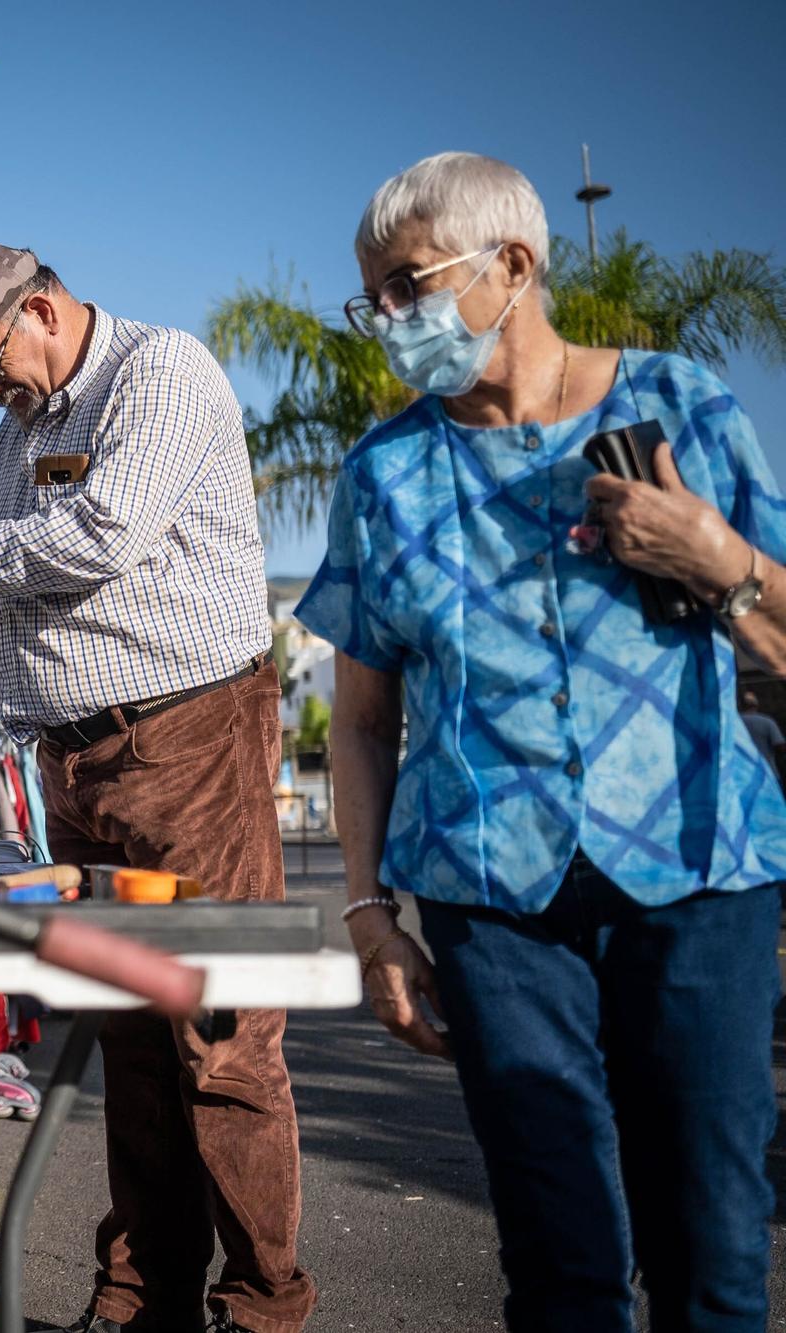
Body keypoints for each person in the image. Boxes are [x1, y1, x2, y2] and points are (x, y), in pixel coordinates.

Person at [302, 151, 786, 1330]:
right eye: (369, 296)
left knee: (710, 1255)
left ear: (512, 265)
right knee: (557, 1262)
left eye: (407, 284)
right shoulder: (384, 472)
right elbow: (362, 724)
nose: (386, 320)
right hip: (490, 900)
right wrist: (371, 922)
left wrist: (714, 559)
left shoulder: (679, 406)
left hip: (697, 874)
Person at [0, 244, 310, 1333]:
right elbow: (18, 590)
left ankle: (260, 1307)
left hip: (188, 739)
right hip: (77, 757)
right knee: (130, 1039)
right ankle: (141, 1299)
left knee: (222, 1035)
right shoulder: (21, 433)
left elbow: (95, 541)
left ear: (42, 310)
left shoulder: (159, 373)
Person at [738, 689, 784, 785]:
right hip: (767, 772)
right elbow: (780, 745)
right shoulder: (767, 721)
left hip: (742, 773)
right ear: (756, 705)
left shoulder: (735, 722)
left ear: (740, 705)